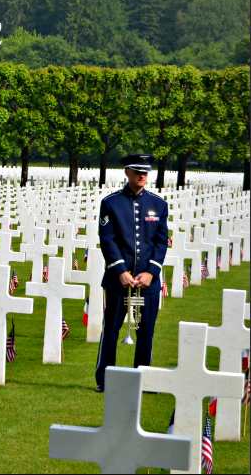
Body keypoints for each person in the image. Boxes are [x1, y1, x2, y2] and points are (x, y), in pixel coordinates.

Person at [94, 153, 169, 392]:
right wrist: (120, 270)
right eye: (137, 172)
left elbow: (160, 242)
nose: (142, 176)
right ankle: (105, 380)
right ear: (127, 172)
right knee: (112, 329)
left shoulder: (159, 205)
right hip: (119, 281)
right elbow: (107, 239)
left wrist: (151, 273)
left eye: (145, 172)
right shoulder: (111, 203)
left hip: (147, 282)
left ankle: (143, 379)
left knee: (146, 330)